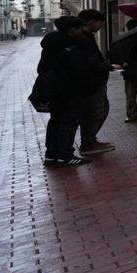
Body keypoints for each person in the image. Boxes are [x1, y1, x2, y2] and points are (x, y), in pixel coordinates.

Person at [37, 16, 93, 167]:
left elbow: (41, 69)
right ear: (72, 30)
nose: (82, 31)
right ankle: (65, 156)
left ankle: (51, 155)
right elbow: (80, 72)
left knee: (55, 122)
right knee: (69, 123)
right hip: (71, 92)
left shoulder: (51, 45)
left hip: (54, 92)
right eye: (80, 28)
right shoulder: (71, 47)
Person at [76, 8, 115, 157]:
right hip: (93, 82)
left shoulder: (85, 37)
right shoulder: (85, 39)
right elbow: (92, 61)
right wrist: (108, 66)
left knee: (100, 110)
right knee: (96, 111)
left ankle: (90, 140)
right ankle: (88, 142)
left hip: (94, 81)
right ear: (92, 22)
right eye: (100, 24)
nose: (100, 27)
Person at [122, 19, 137, 123]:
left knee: (131, 95)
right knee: (132, 96)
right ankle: (132, 114)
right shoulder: (126, 40)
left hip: (135, 71)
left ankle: (132, 114)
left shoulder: (127, 40)